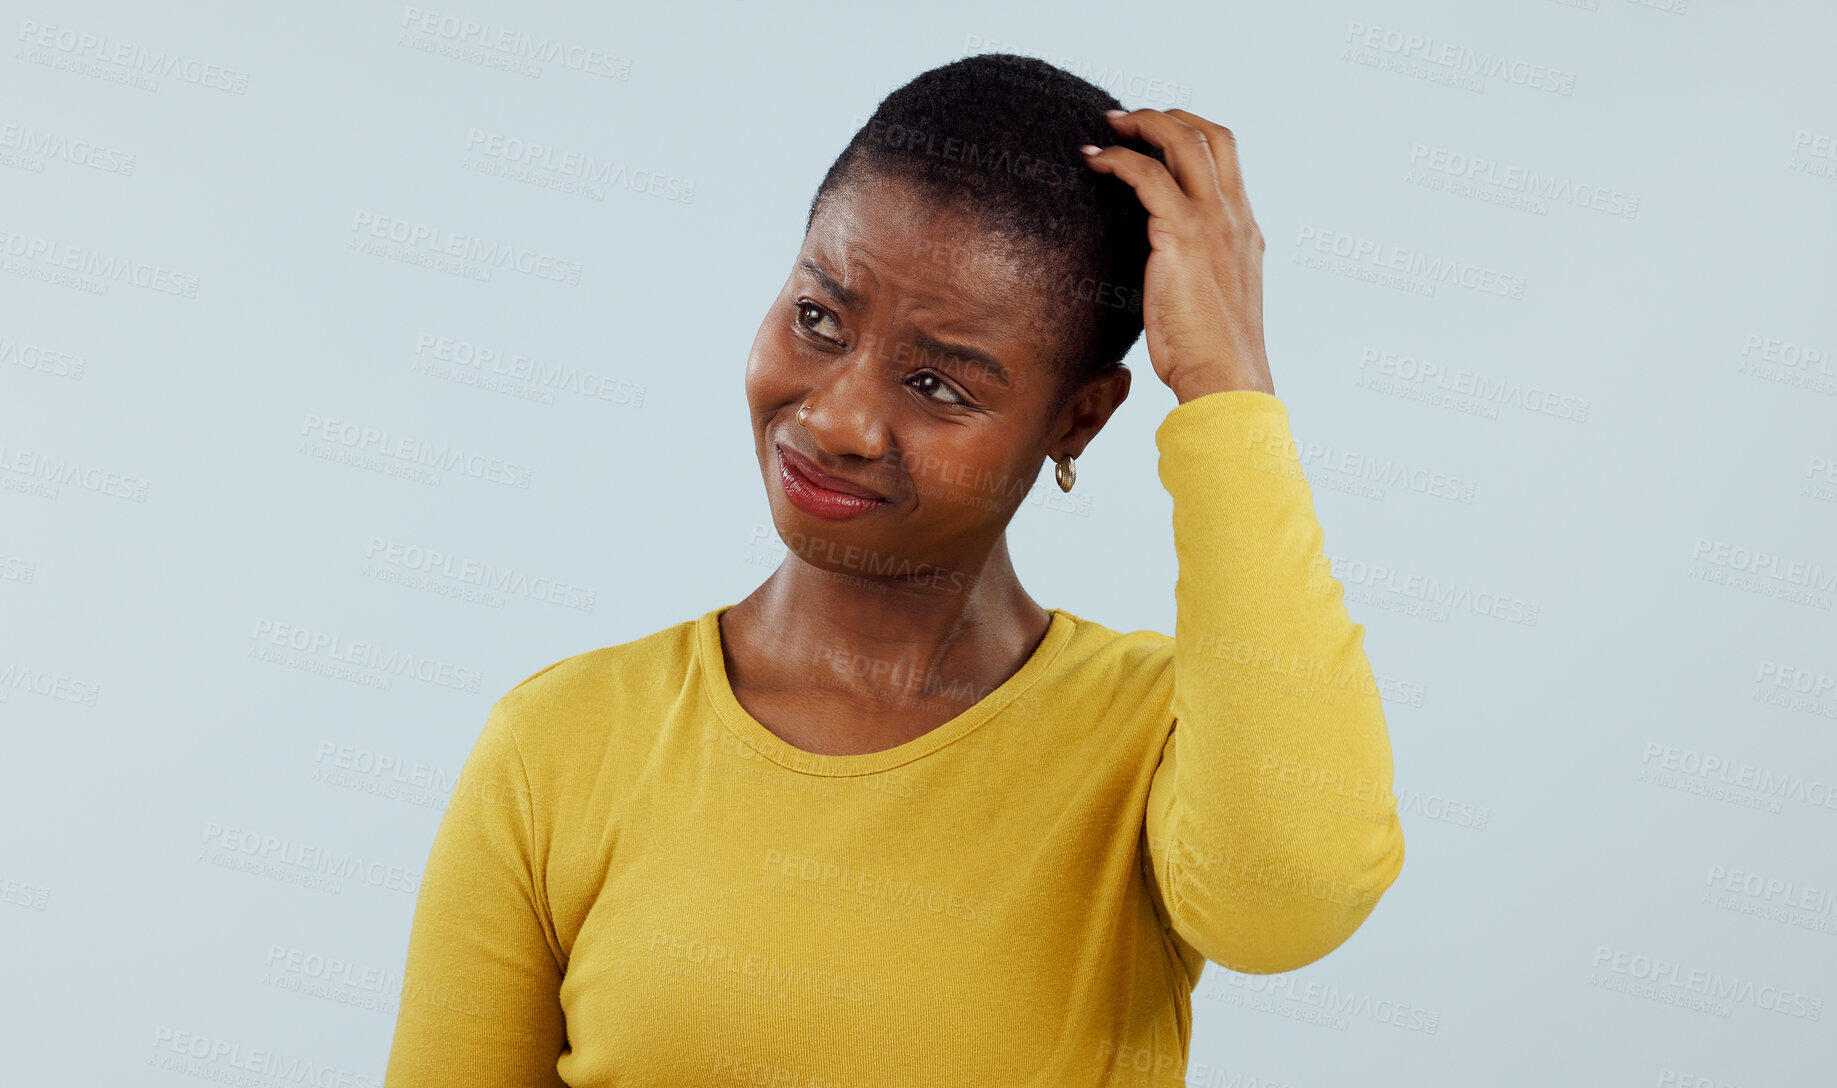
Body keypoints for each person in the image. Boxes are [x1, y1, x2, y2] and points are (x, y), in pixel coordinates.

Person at [383, 53, 1405, 1088]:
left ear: (1079, 417)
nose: (835, 419)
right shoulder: (559, 743)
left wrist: (1224, 385)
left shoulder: (1154, 741)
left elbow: (1290, 895)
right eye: (817, 318)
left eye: (936, 382)